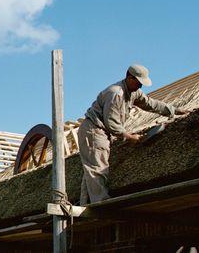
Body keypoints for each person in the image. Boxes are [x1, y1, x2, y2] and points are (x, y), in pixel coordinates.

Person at [78, 64, 188, 205]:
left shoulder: (134, 92)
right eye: (139, 83)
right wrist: (129, 137)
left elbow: (151, 104)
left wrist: (174, 110)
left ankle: (84, 203)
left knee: (91, 168)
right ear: (130, 78)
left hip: (101, 131)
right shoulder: (116, 93)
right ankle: (100, 204)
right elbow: (111, 123)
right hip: (94, 130)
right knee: (98, 168)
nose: (140, 87)